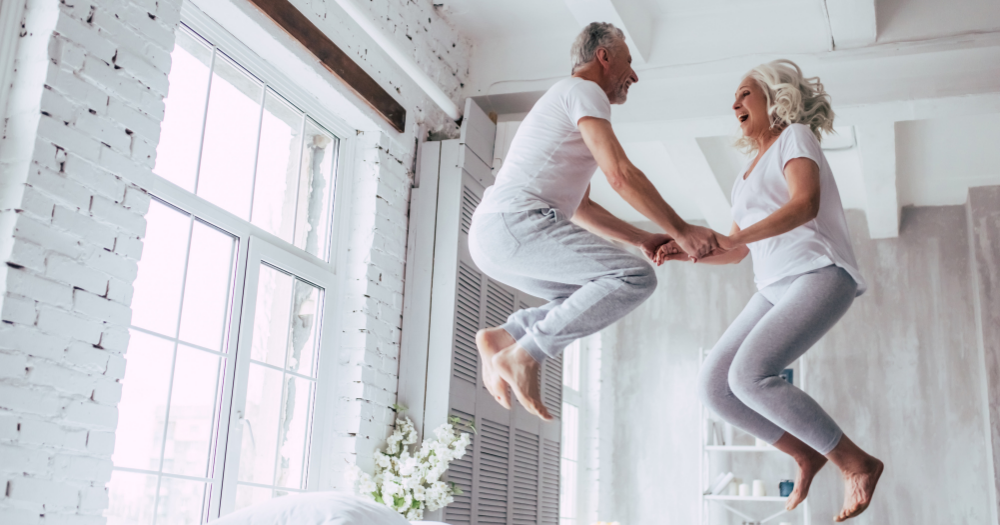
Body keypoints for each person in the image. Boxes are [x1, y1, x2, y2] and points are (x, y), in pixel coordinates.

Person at [658, 59, 883, 522]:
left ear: (774, 96)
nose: (735, 103)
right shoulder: (743, 176)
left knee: (749, 375)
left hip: (819, 273)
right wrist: (687, 252)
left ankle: (855, 462)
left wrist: (733, 238)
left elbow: (805, 203)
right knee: (714, 386)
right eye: (734, 98)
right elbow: (737, 251)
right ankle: (806, 453)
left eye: (744, 93)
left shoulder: (795, 136)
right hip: (773, 286)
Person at [469, 22, 722, 421]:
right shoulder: (583, 91)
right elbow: (620, 174)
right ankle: (525, 354)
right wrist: (682, 230)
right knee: (635, 278)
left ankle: (507, 336)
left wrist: (641, 238)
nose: (634, 75)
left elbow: (583, 208)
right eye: (629, 62)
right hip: (515, 224)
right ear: (603, 57)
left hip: (495, 234)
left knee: (589, 293)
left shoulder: (567, 101)